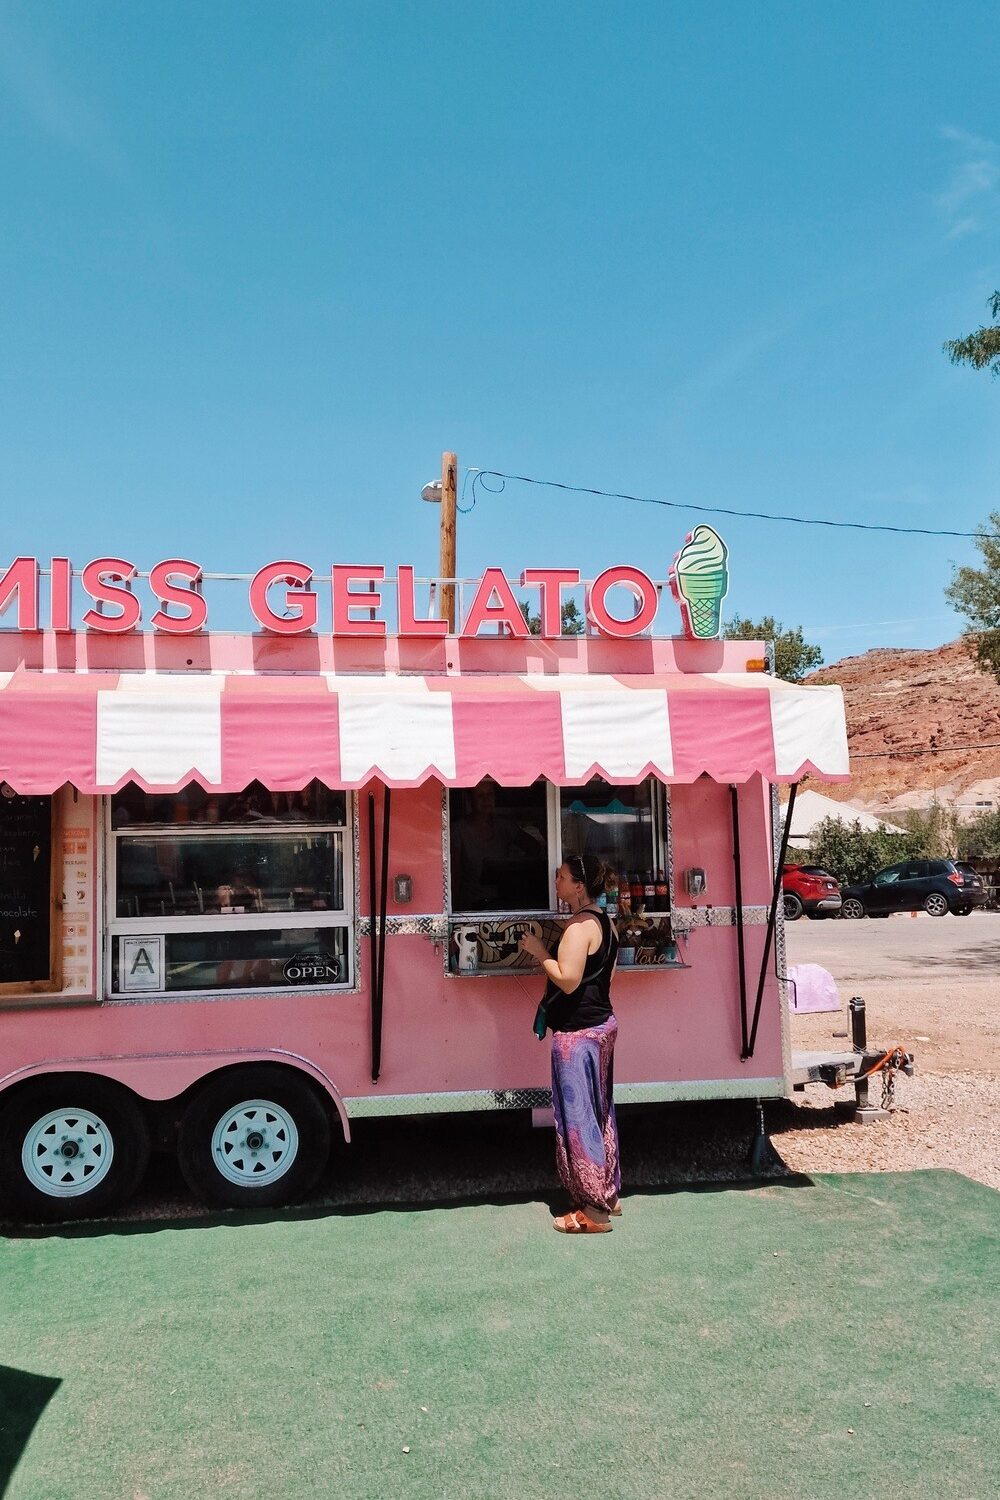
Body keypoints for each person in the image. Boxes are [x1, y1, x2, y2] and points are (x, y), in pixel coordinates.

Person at [519, 853, 621, 1234]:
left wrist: (539, 952)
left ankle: (593, 1212)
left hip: (577, 1035)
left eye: (560, 877)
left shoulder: (579, 929)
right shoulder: (604, 922)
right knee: (600, 1113)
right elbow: (607, 974)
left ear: (578, 886)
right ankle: (607, 1192)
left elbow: (568, 979)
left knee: (579, 1121)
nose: (556, 883)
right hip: (602, 1025)